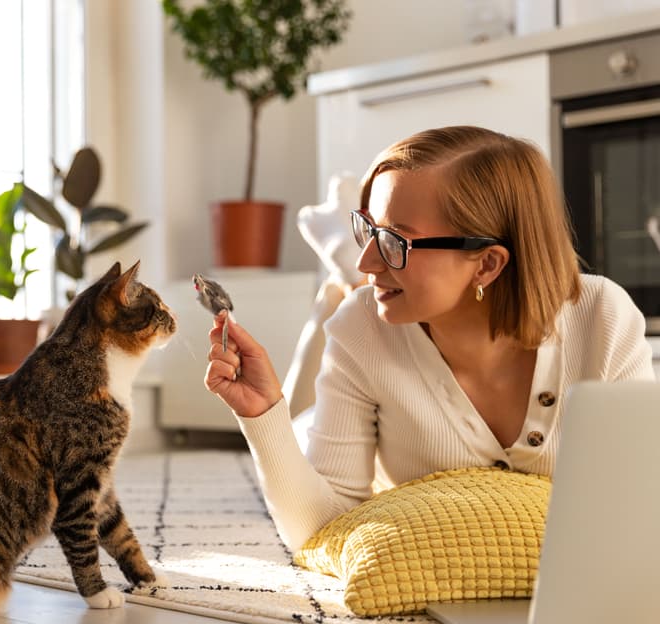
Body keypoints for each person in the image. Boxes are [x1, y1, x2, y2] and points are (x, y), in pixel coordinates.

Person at [204, 126, 655, 552]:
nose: (369, 261)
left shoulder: (601, 317)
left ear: (487, 265)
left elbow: (641, 509)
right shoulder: (361, 327)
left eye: (395, 241)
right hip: (329, 407)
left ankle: (339, 254)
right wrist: (263, 416)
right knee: (333, 345)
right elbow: (324, 528)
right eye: (368, 232)